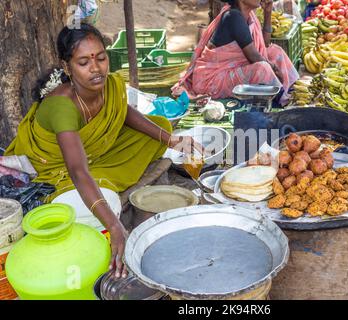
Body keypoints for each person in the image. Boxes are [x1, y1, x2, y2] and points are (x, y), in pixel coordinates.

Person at [4, 23, 202, 279]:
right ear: (67, 67)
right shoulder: (62, 106)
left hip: (92, 153)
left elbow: (123, 112)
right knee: (97, 193)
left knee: (160, 126)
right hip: (59, 168)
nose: (95, 68)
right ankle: (100, 196)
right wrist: (114, 226)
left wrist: (171, 139)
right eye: (83, 62)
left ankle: (105, 183)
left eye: (100, 58)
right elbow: (77, 170)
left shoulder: (108, 84)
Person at [172, 0, 299, 106]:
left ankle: (295, 90)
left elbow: (264, 46)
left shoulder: (248, 16)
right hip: (211, 80)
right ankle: (283, 101)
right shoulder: (233, 16)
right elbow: (255, 58)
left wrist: (267, 12)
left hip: (230, 69)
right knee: (262, 68)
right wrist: (274, 69)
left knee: (275, 51)